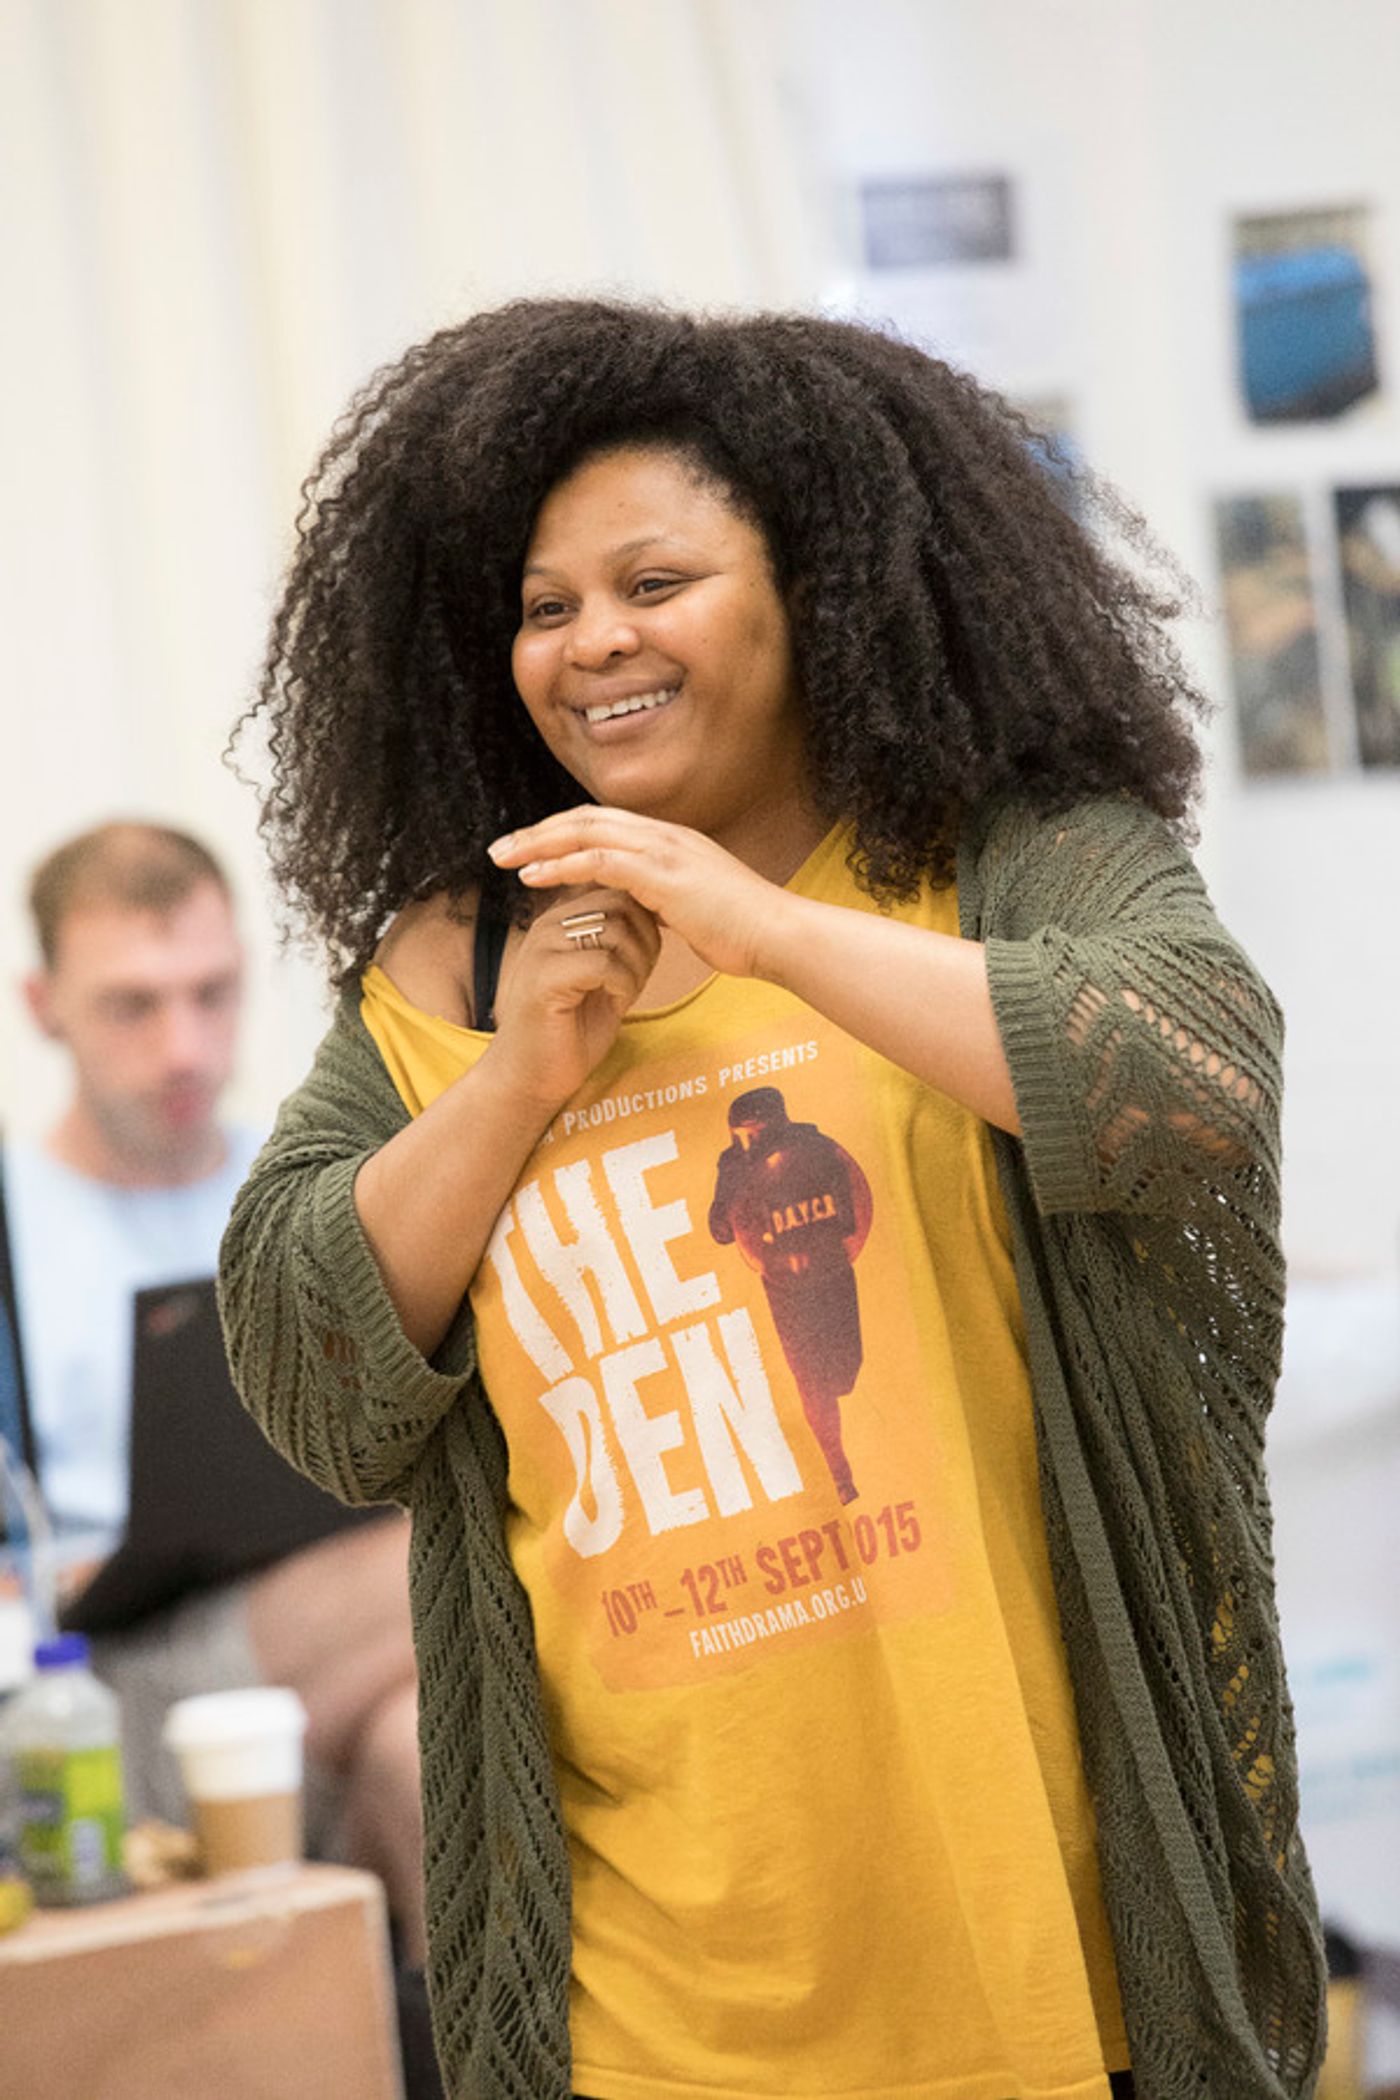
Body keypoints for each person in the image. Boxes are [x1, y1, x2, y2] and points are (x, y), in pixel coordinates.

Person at [219, 300, 1327, 2100]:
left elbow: (1193, 1084)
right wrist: (516, 1074)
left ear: (814, 587)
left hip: (1039, 1964)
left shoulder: (1004, 861)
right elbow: (311, 1367)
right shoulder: (456, 955)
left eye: (653, 581)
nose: (593, 645)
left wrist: (765, 931)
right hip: (653, 2003)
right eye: (543, 605)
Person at [3, 822, 427, 1972]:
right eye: (132, 1007)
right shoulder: (16, 1225)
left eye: (212, 994)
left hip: (316, 1665)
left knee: (424, 1754)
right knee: (444, 1566)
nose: (184, 1047)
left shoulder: (303, 1185)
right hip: (92, 1697)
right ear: (45, 1006)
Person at [708, 1086, 873, 1502]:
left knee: (843, 1372)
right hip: (783, 1286)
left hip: (832, 1273)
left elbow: (851, 1210)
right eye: (741, 1137)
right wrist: (733, 1193)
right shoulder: (732, 1164)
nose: (750, 1146)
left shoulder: (816, 1146)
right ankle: (840, 1476)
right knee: (811, 1383)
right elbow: (720, 1230)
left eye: (756, 1134)